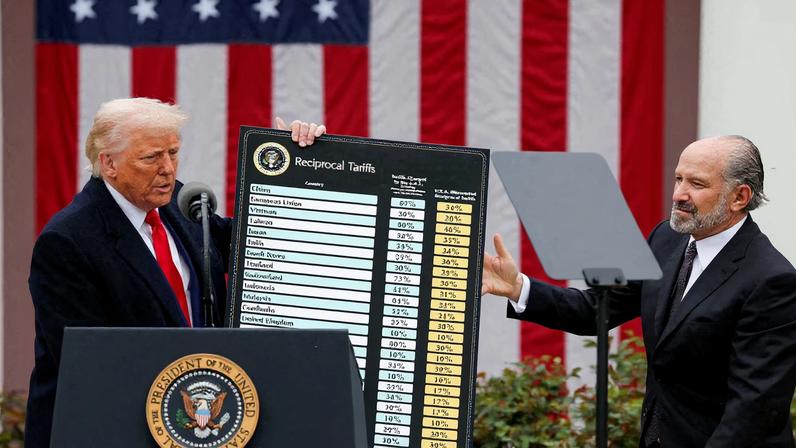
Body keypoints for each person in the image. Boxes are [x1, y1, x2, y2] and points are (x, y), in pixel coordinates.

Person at [26, 98, 326, 447]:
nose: (168, 168)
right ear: (108, 163)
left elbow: (256, 246)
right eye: (152, 157)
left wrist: (294, 167)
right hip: (112, 430)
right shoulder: (68, 241)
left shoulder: (181, 203)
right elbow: (90, 360)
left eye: (173, 152)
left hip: (194, 424)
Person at [482, 135, 796, 447]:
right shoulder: (666, 239)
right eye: (678, 179)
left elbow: (753, 412)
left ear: (739, 197)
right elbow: (596, 310)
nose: (678, 195)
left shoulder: (772, 281)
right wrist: (518, 287)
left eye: (696, 184)